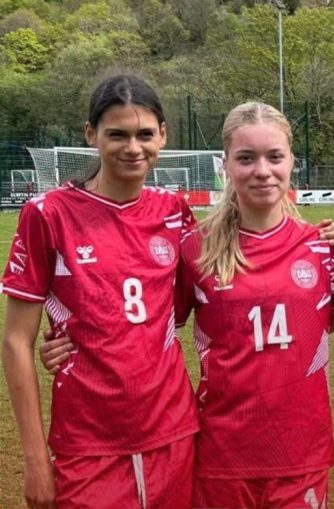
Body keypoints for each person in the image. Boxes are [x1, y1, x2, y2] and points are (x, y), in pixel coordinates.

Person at [2, 75, 200, 508]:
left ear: (163, 135)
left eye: (144, 134)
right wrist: (35, 459)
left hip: (173, 432)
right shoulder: (47, 214)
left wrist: (318, 239)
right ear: (91, 134)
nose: (133, 147)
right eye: (117, 135)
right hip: (87, 441)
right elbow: (16, 341)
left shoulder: (174, 211)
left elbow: (201, 298)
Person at [175, 101, 334, 508]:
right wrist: (68, 341)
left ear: (291, 162)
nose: (262, 171)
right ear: (225, 165)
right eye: (246, 158)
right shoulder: (194, 248)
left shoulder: (321, 246)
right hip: (222, 451)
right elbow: (149, 327)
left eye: (274, 157)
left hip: (301, 449)